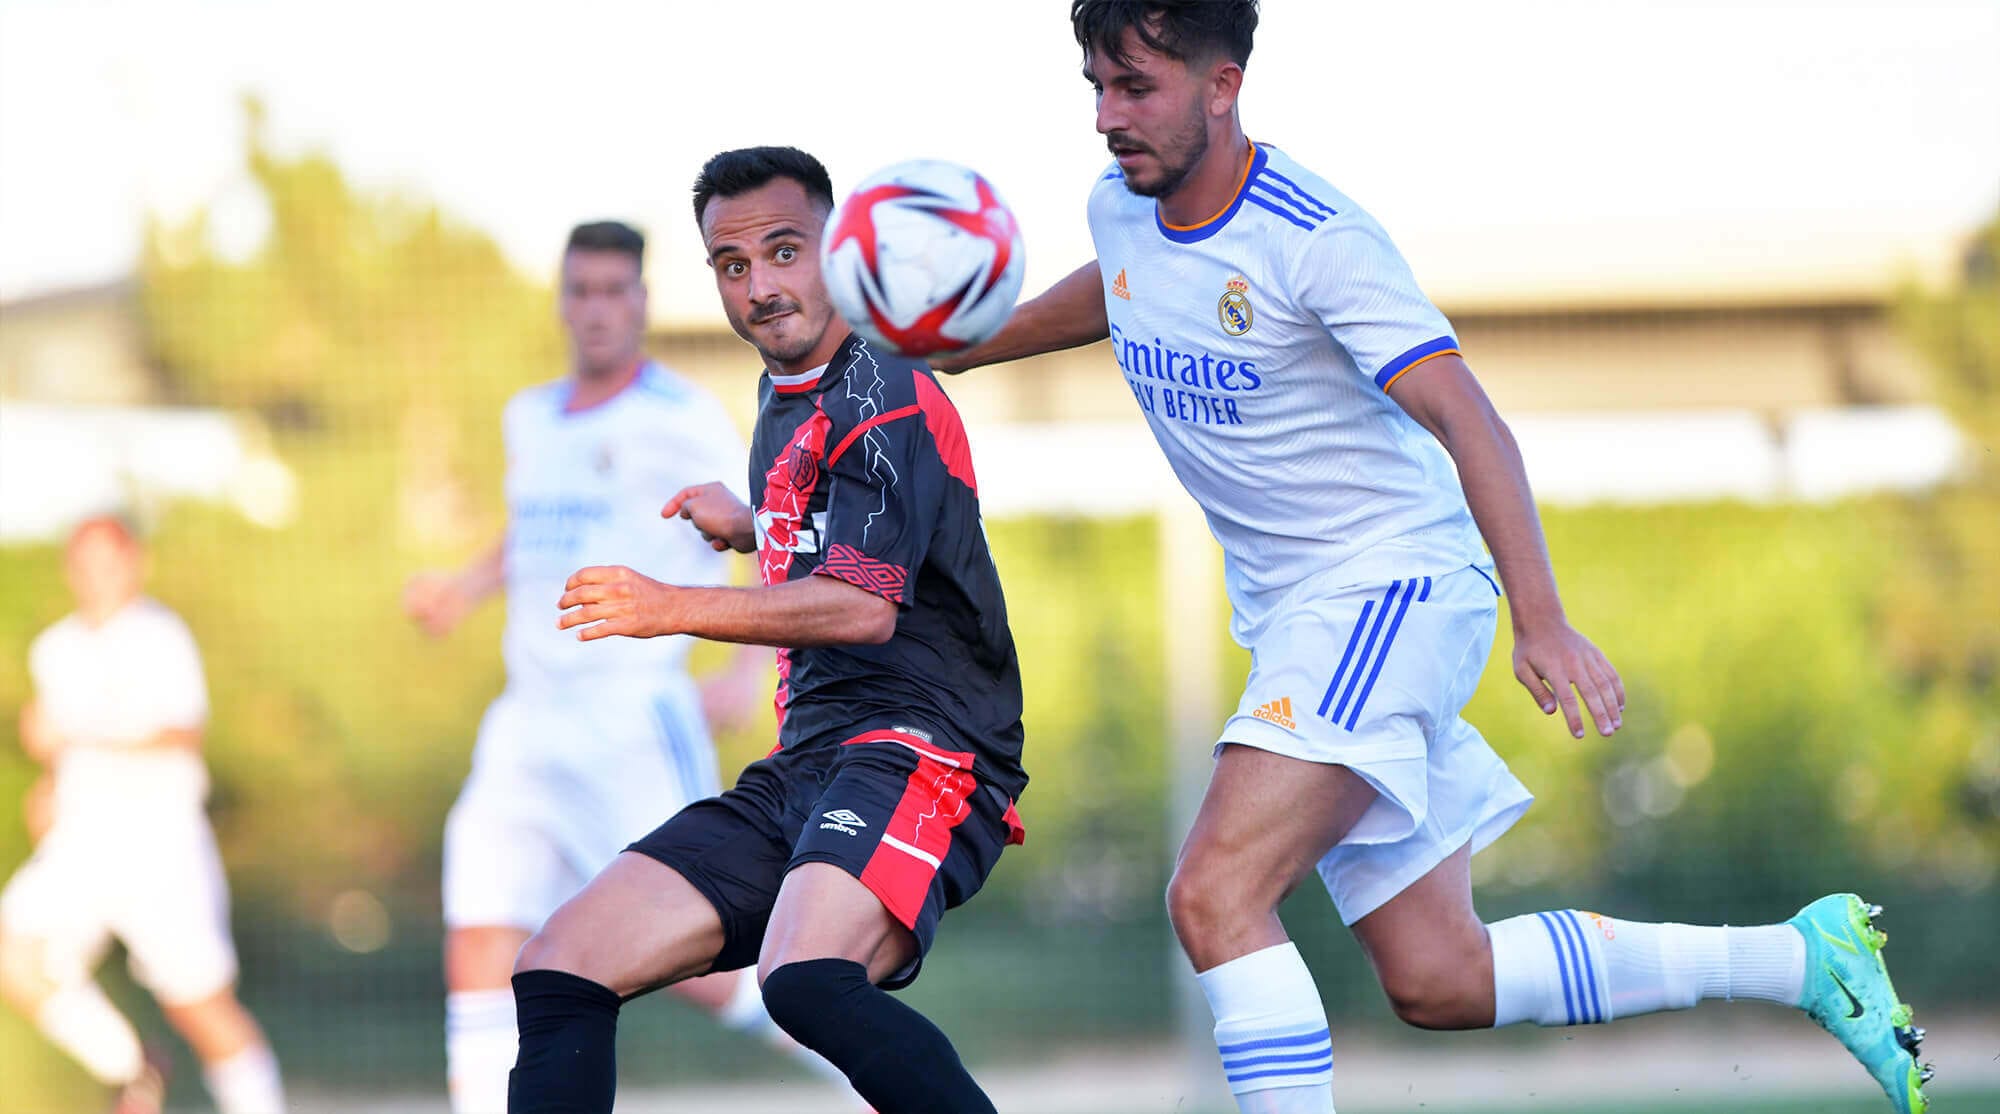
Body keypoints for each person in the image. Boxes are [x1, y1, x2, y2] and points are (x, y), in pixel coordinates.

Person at [935, 3, 1932, 1112]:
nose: (1106, 118)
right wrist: (959, 345)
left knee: (1214, 892)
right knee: (1437, 976)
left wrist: (1539, 617)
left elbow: (1472, 422)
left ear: (1221, 86)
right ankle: (1804, 959)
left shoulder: (1316, 237)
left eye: (1136, 89)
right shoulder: (1121, 205)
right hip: (1298, 619)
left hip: (1387, 591)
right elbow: (1119, 291)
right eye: (1096, 87)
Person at [504, 146, 1028, 1114]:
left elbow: (862, 606)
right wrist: (756, 517)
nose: (760, 286)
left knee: (805, 980)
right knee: (560, 965)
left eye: (784, 252)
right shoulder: (784, 391)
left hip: (925, 747)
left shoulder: (884, 390)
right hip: (813, 759)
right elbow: (852, 523)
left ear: (839, 249)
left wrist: (666, 605)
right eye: (733, 265)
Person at [402, 220, 820, 1113]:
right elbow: (530, 530)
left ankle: (862, 1063)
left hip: (628, 715)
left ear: (639, 302)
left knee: (691, 958)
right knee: (481, 931)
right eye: (579, 290)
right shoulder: (531, 415)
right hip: (525, 720)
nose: (595, 309)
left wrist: (750, 673)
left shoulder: (675, 418)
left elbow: (764, 521)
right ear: (563, 302)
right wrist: (462, 588)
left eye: (612, 290)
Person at [0, 516, 287, 1114]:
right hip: (82, 844)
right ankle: (132, 1067)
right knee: (13, 951)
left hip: (160, 848)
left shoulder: (161, 637)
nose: (97, 577)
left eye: (110, 562)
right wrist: (49, 786)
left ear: (135, 564)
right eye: (85, 563)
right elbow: (58, 749)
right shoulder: (53, 649)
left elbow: (181, 732)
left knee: (201, 1008)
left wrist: (78, 734)